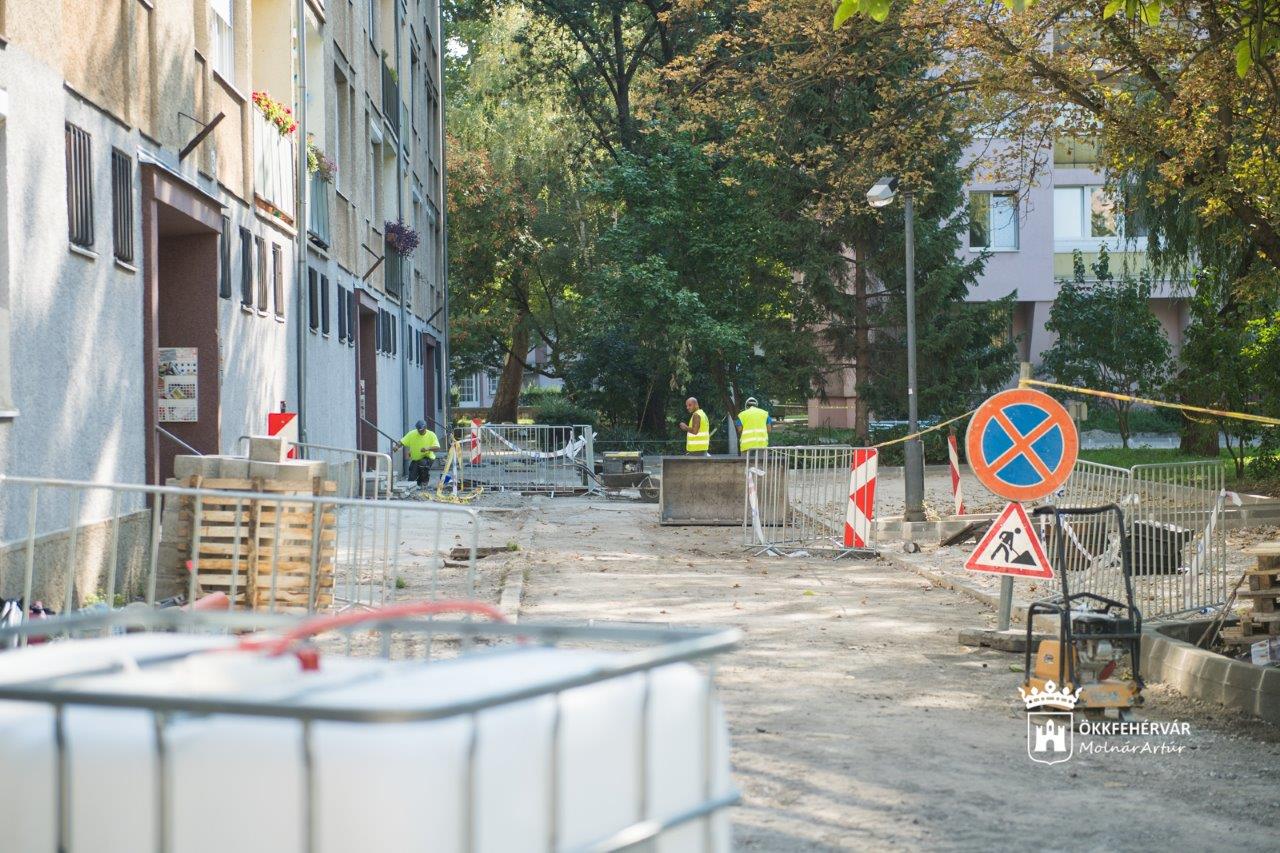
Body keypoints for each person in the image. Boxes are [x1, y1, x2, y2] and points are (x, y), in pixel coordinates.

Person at [392, 420, 440, 488]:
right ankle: (418, 483)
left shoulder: (431, 435)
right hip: (416, 458)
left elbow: (437, 448)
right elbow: (402, 441)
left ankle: (424, 481)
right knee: (411, 478)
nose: (420, 432)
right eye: (419, 430)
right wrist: (397, 446)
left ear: (426, 428)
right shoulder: (412, 434)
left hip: (428, 458)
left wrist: (428, 448)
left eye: (422, 430)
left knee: (422, 463)